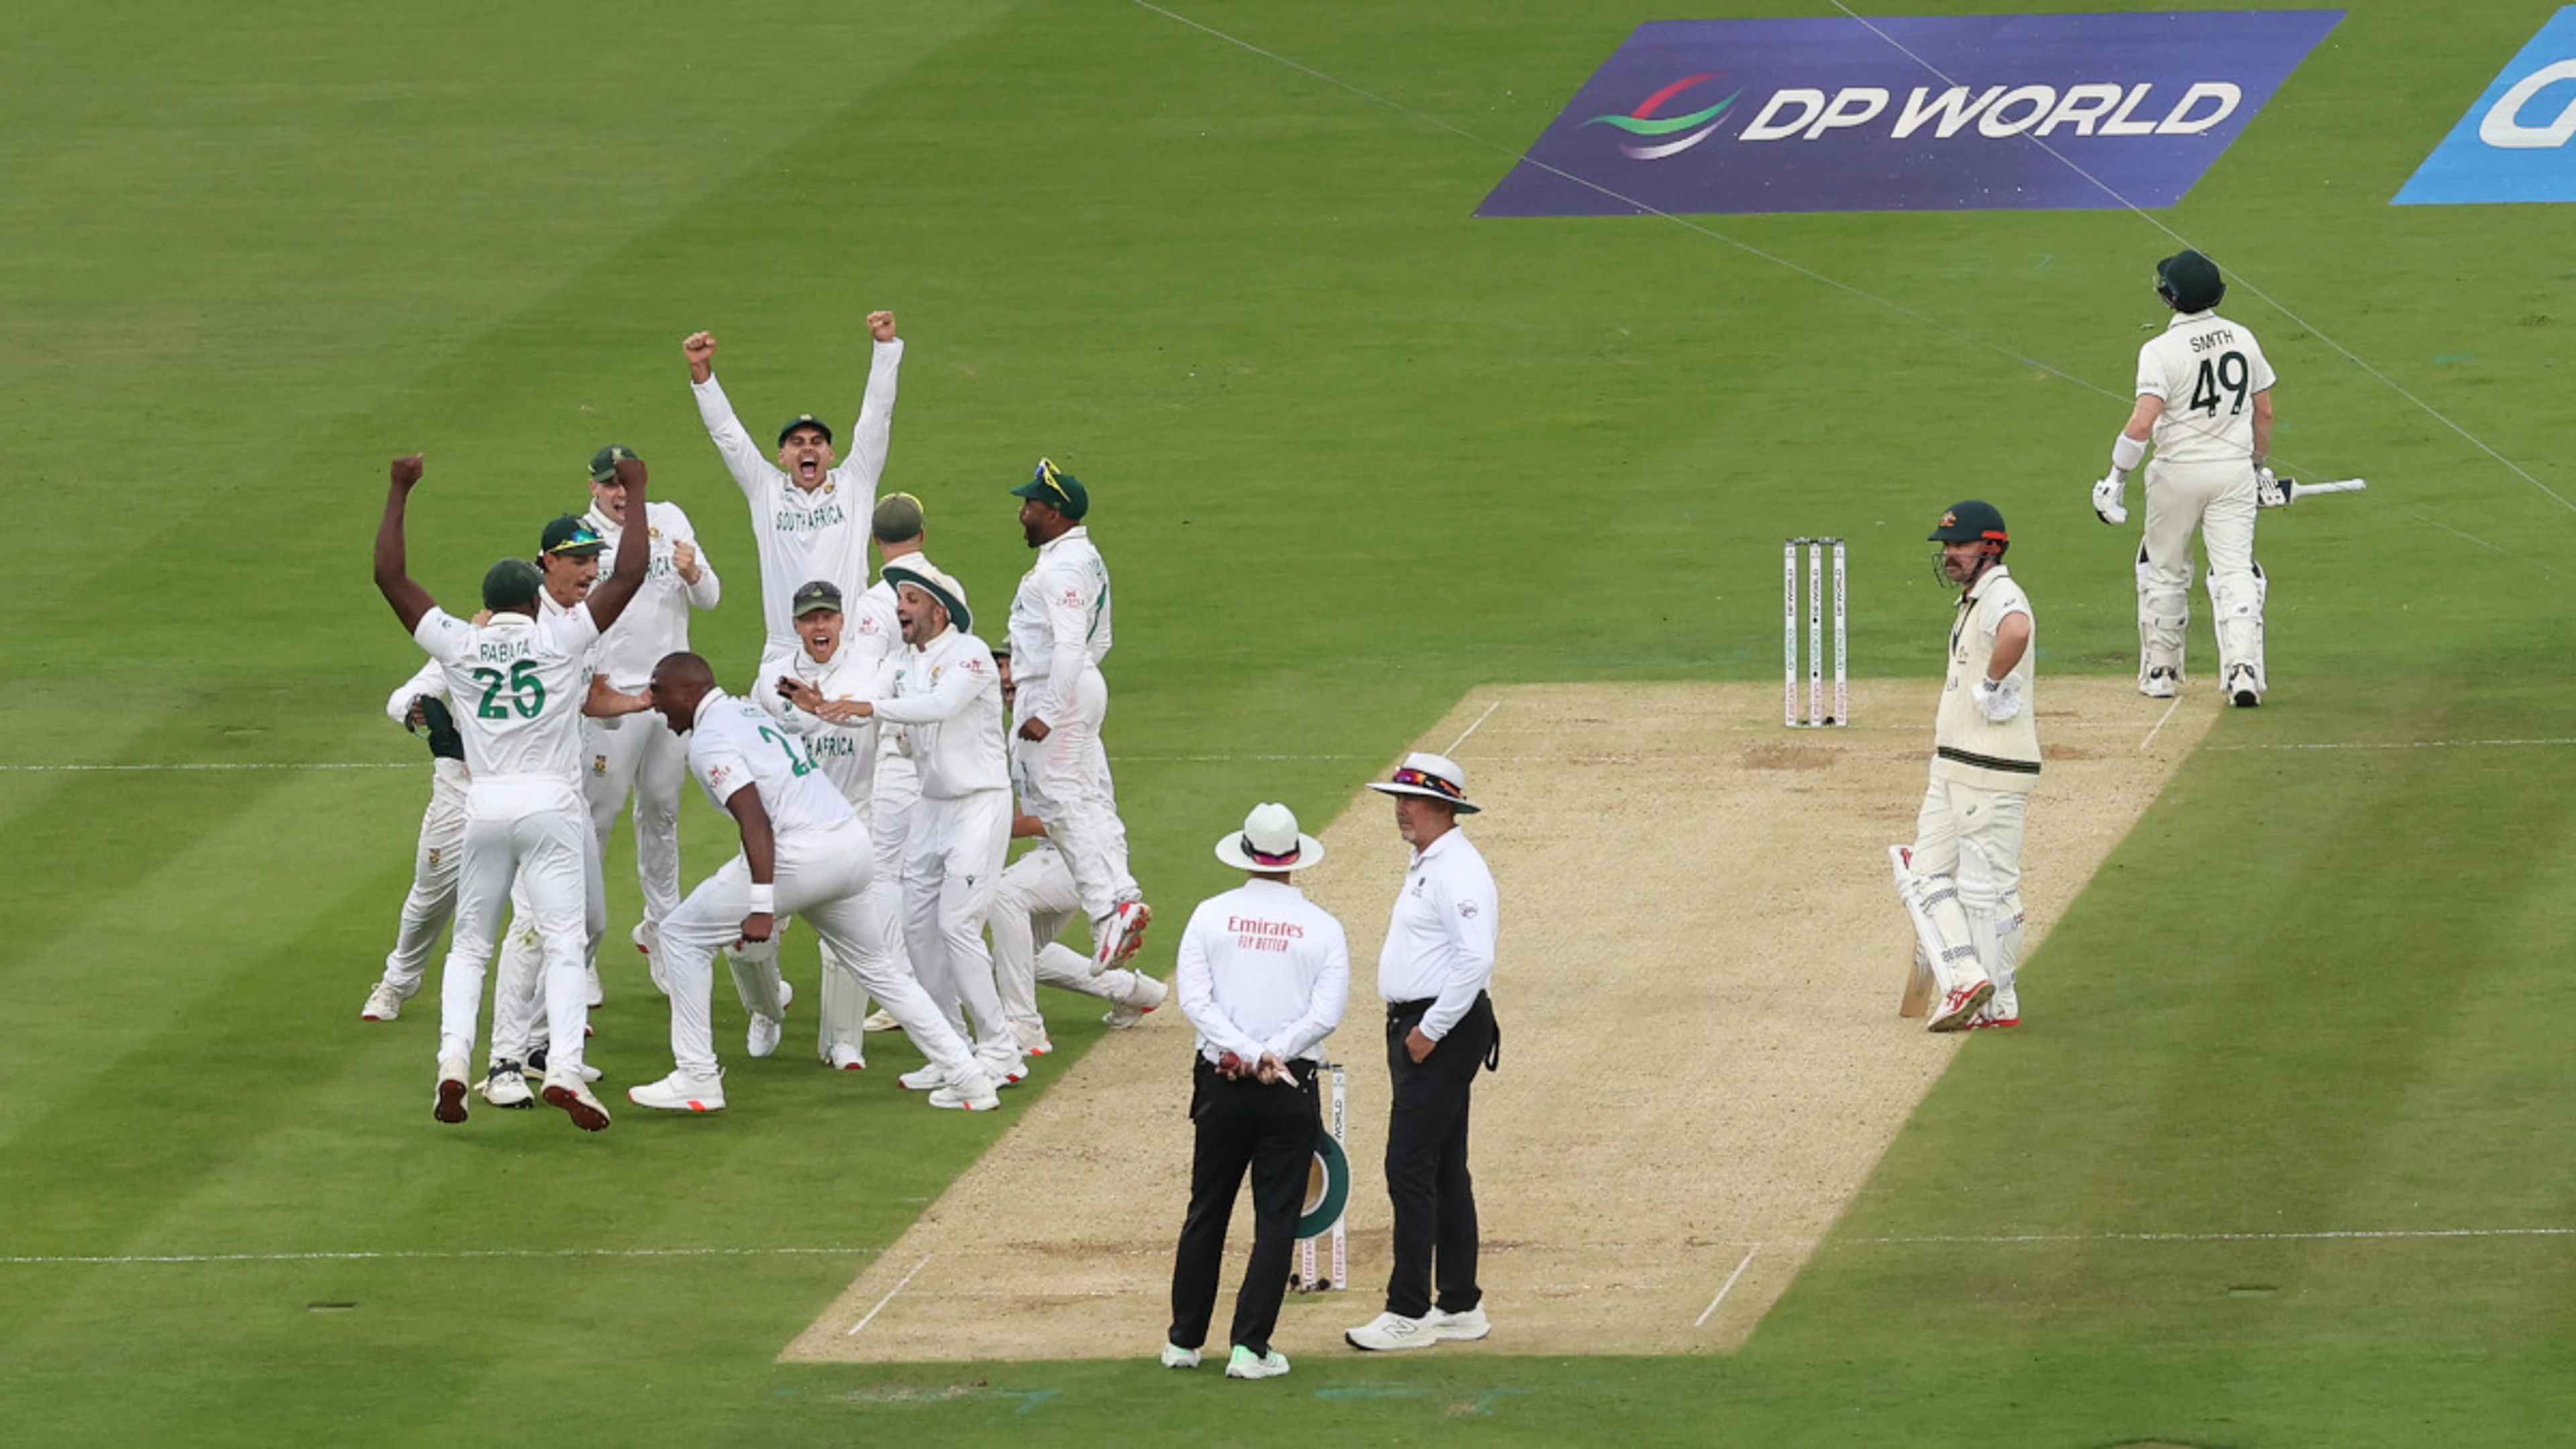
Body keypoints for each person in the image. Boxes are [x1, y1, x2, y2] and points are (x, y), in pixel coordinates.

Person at [370, 452, 650, 1132]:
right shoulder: (560, 640)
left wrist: (400, 490)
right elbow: (632, 573)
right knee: (565, 942)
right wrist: (637, 489)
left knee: (471, 947)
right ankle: (560, 1067)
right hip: (551, 805)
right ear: (533, 600)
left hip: (485, 807)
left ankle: (452, 1063)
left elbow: (390, 576)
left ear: (490, 607)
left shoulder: (460, 643)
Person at [625, 652, 1000, 1114]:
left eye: (658, 690)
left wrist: (762, 905)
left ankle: (697, 1076)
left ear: (687, 693)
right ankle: (969, 1078)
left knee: (681, 935)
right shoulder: (746, 711)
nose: (653, 701)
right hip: (850, 845)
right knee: (880, 971)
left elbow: (756, 822)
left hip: (801, 853)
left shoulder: (710, 740)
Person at [1162, 802, 1348, 1381]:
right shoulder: (1322, 926)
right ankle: (1249, 1348)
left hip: (1222, 1081)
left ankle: (1184, 1341)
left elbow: (1195, 1002)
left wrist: (1244, 1051)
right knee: (1276, 1218)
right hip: (1287, 1084)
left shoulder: (1211, 915)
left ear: (1246, 854)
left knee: (1207, 1209)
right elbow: (1326, 1014)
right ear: (1294, 859)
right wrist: (1273, 1053)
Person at [824, 562, 1027, 1089]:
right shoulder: (900, 662)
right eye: (900, 600)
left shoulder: (971, 654)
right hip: (932, 806)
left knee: (956, 925)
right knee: (917, 929)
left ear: (939, 609)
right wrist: (820, 704)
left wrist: (866, 705)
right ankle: (953, 1051)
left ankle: (1001, 1050)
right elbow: (862, 703)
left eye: (911, 600)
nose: (900, 608)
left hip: (979, 803)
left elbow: (939, 705)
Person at [1344, 753, 1501, 1354]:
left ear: (1444, 807)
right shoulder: (1430, 863)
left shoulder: (1457, 869)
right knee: (1442, 1167)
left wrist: (1431, 1029)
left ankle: (1408, 1310)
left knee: (1408, 1165)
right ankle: (1459, 1303)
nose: (1401, 809)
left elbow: (1475, 957)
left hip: (1441, 1028)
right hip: (1426, 1025)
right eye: (1398, 799)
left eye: (1412, 800)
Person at [2090, 248, 2276, 706]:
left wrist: (2115, 479)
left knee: (2165, 571)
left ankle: (2160, 672)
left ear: (2168, 297)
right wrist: (2256, 466)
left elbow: (2142, 423)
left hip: (2176, 474)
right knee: (2235, 570)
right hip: (2233, 472)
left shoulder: (2159, 351)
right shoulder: (2242, 337)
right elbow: (2265, 413)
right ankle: (2243, 670)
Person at [1891, 500, 2039, 1033]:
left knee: (1991, 891)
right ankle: (1968, 976)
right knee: (1924, 874)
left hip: (1991, 769)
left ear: (1991, 548)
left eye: (1960, 545)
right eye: (1947, 546)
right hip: (1953, 765)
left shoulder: (2001, 592)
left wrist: (1994, 683)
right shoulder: (1973, 600)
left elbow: (2017, 631)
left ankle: (2001, 1002)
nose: (1950, 554)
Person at [683, 313, 903, 664]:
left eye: (817, 442)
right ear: (782, 456)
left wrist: (885, 347)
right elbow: (727, 434)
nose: (807, 449)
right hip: (784, 650)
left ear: (830, 454)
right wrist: (702, 372)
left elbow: (877, 415)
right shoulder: (765, 490)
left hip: (848, 648)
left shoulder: (856, 482)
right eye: (797, 443)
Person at [1007, 458, 1152, 969]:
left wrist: (1049, 709)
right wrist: (1079, 686)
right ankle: (1124, 896)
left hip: (1055, 687)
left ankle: (1106, 911)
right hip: (1078, 684)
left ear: (1055, 513)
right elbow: (1101, 638)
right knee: (1088, 797)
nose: (1023, 513)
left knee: (1059, 801)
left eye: (1031, 505)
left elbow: (1071, 645)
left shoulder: (1063, 568)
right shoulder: (1086, 559)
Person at [579, 445, 721, 962]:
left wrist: (693, 573)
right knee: (598, 818)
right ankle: (581, 949)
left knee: (662, 812)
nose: (619, 493)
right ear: (593, 487)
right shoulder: (578, 538)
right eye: (609, 484)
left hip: (669, 698)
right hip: (611, 700)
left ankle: (663, 935)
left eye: (626, 482)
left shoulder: (669, 518)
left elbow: (711, 598)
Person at [989, 643, 1167, 1052]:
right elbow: (1031, 809)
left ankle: (1023, 1024)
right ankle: (1133, 992)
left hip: (1083, 860)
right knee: (1020, 954)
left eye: (1015, 674)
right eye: (1004, 681)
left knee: (1003, 896)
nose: (1007, 683)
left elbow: (1062, 818)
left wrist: (988, 828)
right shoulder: (1023, 734)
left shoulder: (1058, 730)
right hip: (1060, 856)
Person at [755, 579, 888, 1069]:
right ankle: (766, 1009)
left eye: (827, 617)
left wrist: (816, 709)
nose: (820, 626)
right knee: (759, 931)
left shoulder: (870, 669)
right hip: (789, 821)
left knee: (847, 938)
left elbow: (863, 718)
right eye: (810, 619)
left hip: (854, 816)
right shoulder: (771, 676)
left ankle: (843, 1042)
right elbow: (758, 742)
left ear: (841, 621)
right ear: (796, 625)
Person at [358, 660, 468, 1022]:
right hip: (458, 791)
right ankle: (397, 982)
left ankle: (555, 1010)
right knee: (429, 897)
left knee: (546, 905)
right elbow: (400, 699)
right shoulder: (463, 644)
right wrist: (414, 710)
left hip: (525, 791)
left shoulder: (554, 645)